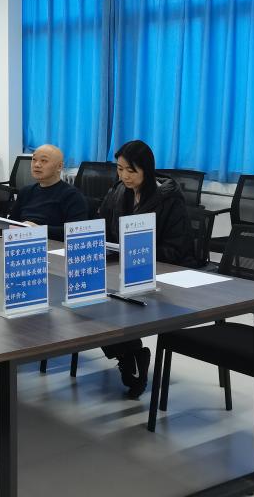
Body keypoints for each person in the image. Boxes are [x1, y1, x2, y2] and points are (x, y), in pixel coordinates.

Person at [97, 139, 189, 399]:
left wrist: (139, 253)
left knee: (107, 304)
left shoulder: (169, 199)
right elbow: (102, 226)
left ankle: (129, 353)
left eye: (131, 170)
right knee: (89, 302)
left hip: (160, 273)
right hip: (121, 267)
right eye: (120, 169)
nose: (124, 176)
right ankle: (129, 353)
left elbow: (176, 249)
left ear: (146, 170)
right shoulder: (118, 192)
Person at [8, 144, 88, 239]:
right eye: (34, 159)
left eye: (44, 161)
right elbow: (12, 222)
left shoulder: (72, 195)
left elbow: (76, 232)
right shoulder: (26, 191)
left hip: (52, 244)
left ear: (59, 166)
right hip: (23, 240)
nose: (37, 165)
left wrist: (39, 229)